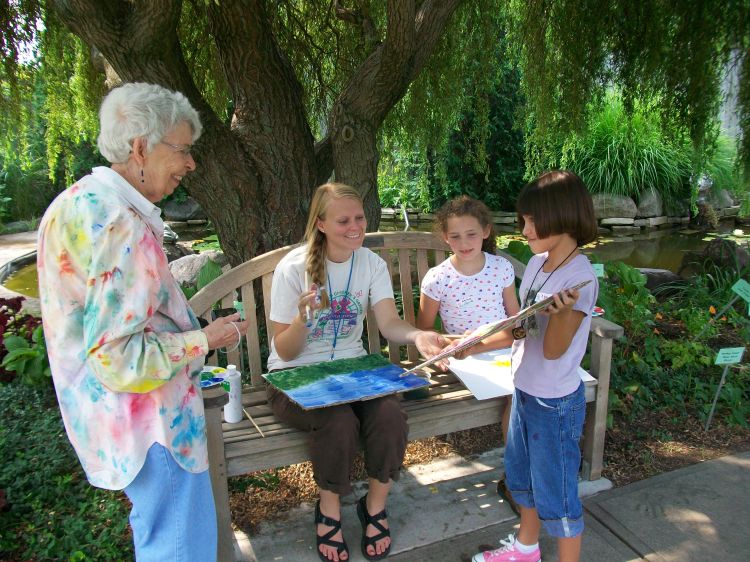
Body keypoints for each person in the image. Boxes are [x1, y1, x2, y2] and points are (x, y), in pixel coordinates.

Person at [37, 82, 248, 562]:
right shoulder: (120, 223)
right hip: (155, 427)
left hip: (114, 425)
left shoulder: (73, 204)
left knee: (160, 538)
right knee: (178, 548)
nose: (191, 164)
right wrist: (206, 339)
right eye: (183, 150)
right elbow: (118, 356)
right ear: (139, 148)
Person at [266, 182, 446, 562]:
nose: (355, 226)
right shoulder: (292, 269)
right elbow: (283, 349)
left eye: (359, 217)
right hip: (295, 378)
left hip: (352, 373)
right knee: (338, 421)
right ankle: (329, 510)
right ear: (321, 224)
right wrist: (302, 319)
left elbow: (388, 323)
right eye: (343, 220)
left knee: (390, 415)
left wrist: (419, 335)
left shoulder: (370, 264)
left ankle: (375, 506)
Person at [469, 170, 599, 562]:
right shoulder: (540, 262)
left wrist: (560, 317)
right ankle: (526, 551)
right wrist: (473, 343)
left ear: (558, 216)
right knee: (521, 478)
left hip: (554, 403)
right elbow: (524, 328)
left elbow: (557, 349)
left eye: (529, 220)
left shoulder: (580, 277)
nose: (522, 228)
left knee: (557, 493)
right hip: (524, 388)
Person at [416, 195, 520, 445]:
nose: (464, 243)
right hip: (464, 356)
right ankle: (518, 467)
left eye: (471, 234)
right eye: (455, 236)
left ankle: (518, 463)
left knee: (520, 392)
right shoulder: (437, 278)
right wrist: (441, 349)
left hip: (502, 350)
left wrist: (508, 339)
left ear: (486, 231)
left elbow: (516, 322)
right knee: (516, 392)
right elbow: (425, 330)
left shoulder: (501, 268)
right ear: (445, 237)